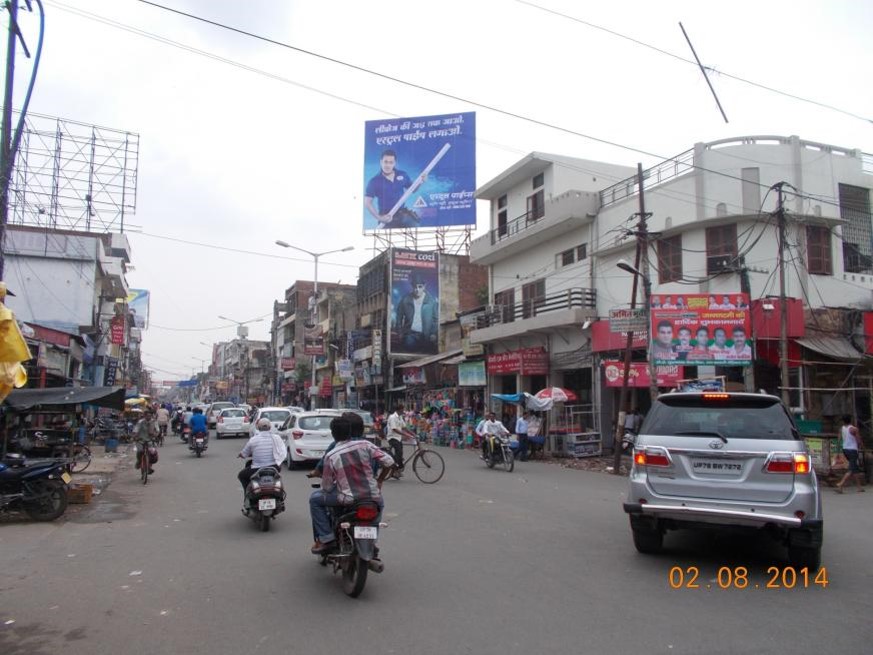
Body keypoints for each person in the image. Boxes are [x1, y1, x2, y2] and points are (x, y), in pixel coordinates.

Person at [309, 416, 395, 554]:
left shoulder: (332, 454)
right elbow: (390, 462)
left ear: (333, 434)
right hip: (372, 496)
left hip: (347, 499)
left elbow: (327, 486)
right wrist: (379, 480)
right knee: (380, 506)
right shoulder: (366, 445)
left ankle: (326, 538)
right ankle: (372, 541)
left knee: (315, 499)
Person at [364, 149, 421, 228]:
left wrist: (420, 182)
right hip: (387, 218)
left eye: (391, 162)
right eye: (385, 162)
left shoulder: (403, 175)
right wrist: (379, 218)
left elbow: (413, 190)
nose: (388, 165)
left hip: (403, 215)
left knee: (417, 232)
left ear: (394, 163)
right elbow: (367, 202)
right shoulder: (374, 181)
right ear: (381, 162)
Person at [237, 418, 286, 495]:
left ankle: (247, 494)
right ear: (270, 427)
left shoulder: (253, 440)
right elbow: (282, 451)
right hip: (274, 467)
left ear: (258, 428)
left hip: (257, 468)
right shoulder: (276, 438)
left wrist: (241, 455)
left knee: (241, 475)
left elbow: (244, 454)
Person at [395, 271, 438, 353]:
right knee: (409, 345)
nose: (417, 289)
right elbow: (399, 317)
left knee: (429, 350)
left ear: (424, 287)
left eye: (420, 287)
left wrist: (433, 333)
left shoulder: (431, 301)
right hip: (410, 335)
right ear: (412, 287)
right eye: (415, 287)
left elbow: (435, 319)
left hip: (426, 336)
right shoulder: (405, 300)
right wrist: (400, 333)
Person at [835, 416, 865, 493]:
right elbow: (858, 440)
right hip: (852, 450)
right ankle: (840, 484)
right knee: (851, 468)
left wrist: (838, 452)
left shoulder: (841, 429)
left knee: (855, 468)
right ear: (850, 420)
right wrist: (862, 447)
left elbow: (838, 441)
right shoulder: (854, 429)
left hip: (845, 449)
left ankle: (859, 487)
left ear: (843, 421)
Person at [386, 405, 416, 476]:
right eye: (402, 409)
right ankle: (394, 467)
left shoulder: (400, 417)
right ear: (399, 410)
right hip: (392, 438)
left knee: (400, 454)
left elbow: (404, 427)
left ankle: (397, 469)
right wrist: (406, 435)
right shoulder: (392, 417)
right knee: (399, 452)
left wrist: (412, 433)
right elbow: (394, 429)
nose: (403, 411)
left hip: (398, 438)